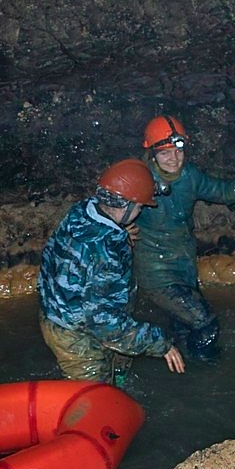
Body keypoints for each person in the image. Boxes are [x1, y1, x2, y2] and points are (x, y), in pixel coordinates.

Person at [134, 115, 235, 360]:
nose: (174, 159)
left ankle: (183, 370)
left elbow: (219, 190)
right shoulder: (140, 179)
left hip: (183, 266)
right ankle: (207, 368)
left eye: (178, 151)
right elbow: (112, 207)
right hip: (155, 271)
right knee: (205, 323)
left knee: (184, 325)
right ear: (152, 154)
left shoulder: (189, 176)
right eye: (165, 153)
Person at [38, 159, 186, 385]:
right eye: (139, 207)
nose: (141, 211)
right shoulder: (105, 255)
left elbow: (85, 248)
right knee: (93, 398)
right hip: (74, 334)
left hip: (56, 309)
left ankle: (119, 387)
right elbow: (104, 323)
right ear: (125, 205)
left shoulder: (81, 212)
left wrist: (120, 234)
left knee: (119, 364)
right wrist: (159, 343)